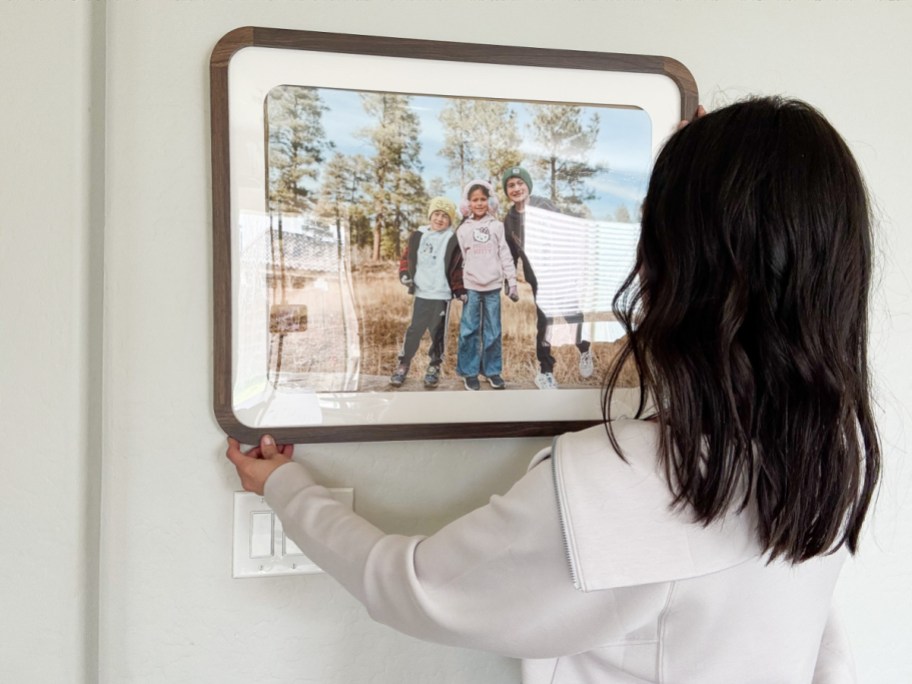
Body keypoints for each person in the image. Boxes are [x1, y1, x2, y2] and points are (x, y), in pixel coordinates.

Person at [226, 97, 880, 683]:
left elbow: (412, 587)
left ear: (677, 264)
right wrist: (700, 175)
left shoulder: (626, 483)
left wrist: (283, 486)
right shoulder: (828, 454)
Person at [501, 166, 593, 390]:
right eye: (511, 185)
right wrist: (509, 281)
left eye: (519, 183)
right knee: (544, 324)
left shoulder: (544, 206)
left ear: (528, 185)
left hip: (559, 274)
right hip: (538, 281)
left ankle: (585, 350)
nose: (516, 188)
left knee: (572, 316)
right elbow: (510, 254)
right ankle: (546, 371)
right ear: (507, 191)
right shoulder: (509, 220)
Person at [390, 196, 465, 389]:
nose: (440, 219)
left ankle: (434, 367)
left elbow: (456, 267)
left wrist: (459, 289)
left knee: (437, 334)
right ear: (430, 215)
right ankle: (404, 363)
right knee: (415, 330)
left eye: (445, 216)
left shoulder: (452, 238)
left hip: (442, 294)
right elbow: (406, 258)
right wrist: (405, 273)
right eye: (436, 214)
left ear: (450, 220)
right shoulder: (418, 235)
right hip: (422, 292)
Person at [454, 179, 518, 391]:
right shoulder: (463, 229)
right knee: (469, 330)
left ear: (489, 201)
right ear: (468, 203)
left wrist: (512, 282)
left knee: (493, 331)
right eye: (475, 200)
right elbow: (460, 258)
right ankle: (469, 372)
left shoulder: (497, 226)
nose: (479, 203)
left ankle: (492, 371)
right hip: (471, 286)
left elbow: (505, 255)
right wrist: (459, 286)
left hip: (493, 286)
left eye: (483, 199)